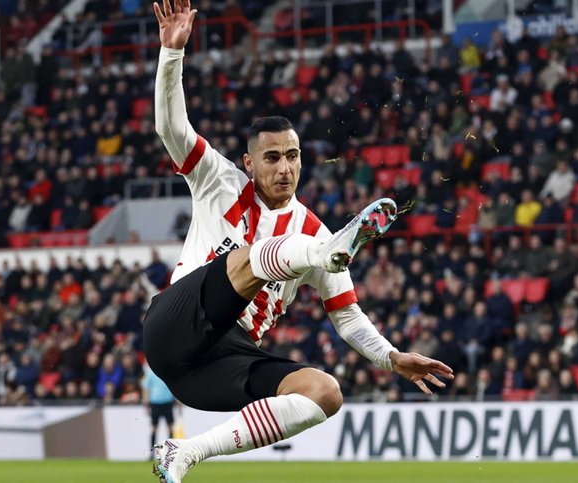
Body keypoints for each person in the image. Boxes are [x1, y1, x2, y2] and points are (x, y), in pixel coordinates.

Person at [145, 2, 454, 482]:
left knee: (324, 391)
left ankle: (181, 454)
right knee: (247, 259)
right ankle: (322, 260)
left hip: (219, 363)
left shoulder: (313, 225)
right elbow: (171, 127)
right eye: (272, 157)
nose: (284, 168)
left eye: (292, 156)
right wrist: (171, 54)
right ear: (249, 163)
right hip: (175, 325)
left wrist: (391, 357)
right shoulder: (217, 181)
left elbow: (347, 317)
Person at [142, 364, 177, 453]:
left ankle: (170, 451)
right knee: (154, 428)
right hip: (155, 403)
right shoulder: (151, 373)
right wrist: (145, 403)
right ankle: (152, 452)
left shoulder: (168, 372)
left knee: (170, 427)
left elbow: (174, 386)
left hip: (167, 402)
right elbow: (146, 388)